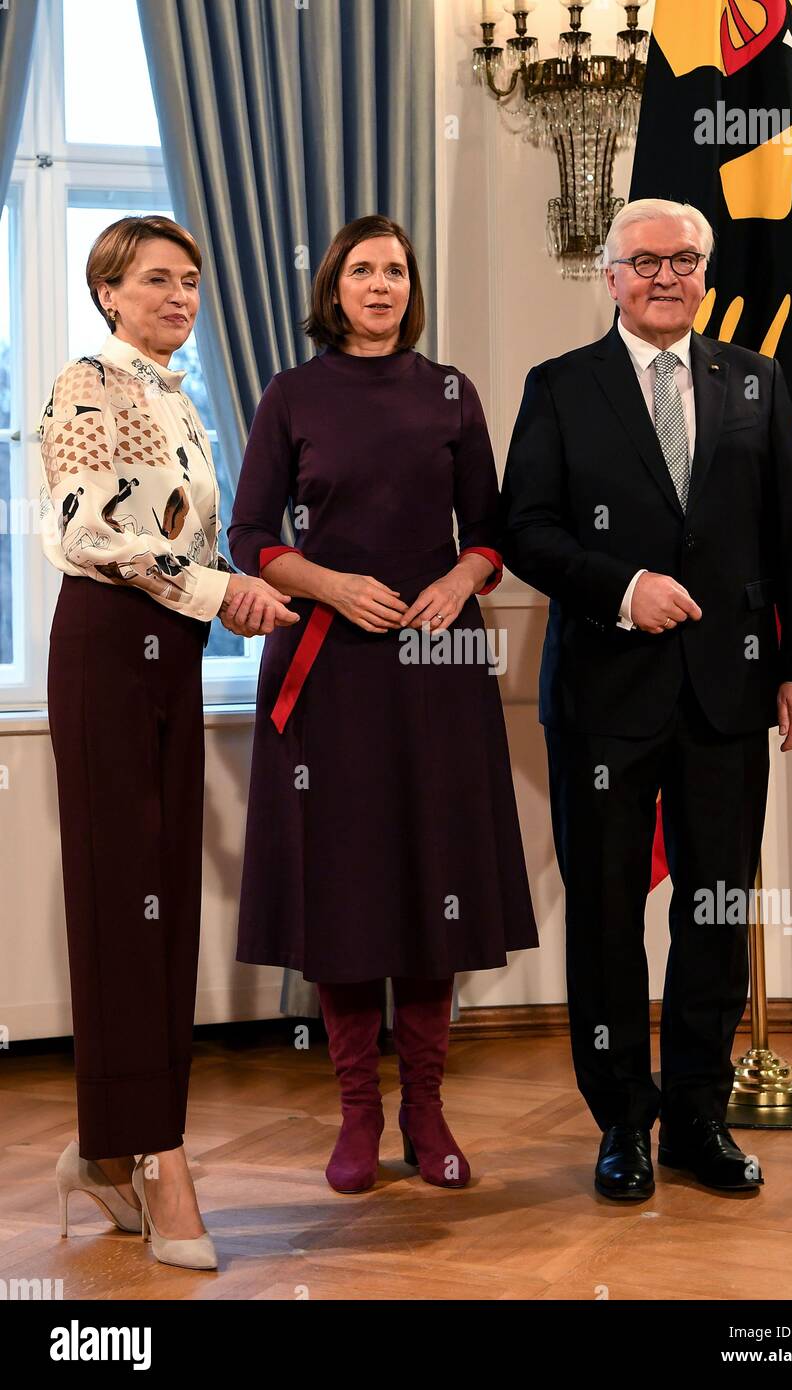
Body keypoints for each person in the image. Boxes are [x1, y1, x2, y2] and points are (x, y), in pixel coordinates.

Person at [500, 197, 792, 1200]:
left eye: (684, 260)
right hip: (604, 701)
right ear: (609, 276)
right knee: (605, 921)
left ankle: (698, 1114)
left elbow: (791, 532)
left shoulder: (754, 381)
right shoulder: (560, 387)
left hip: (729, 699)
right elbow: (526, 529)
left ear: (705, 273)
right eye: (643, 261)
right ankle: (623, 1123)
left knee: (716, 914)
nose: (665, 275)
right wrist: (622, 588)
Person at [228, 213, 538, 1194]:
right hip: (329, 675)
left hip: (435, 666)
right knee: (346, 885)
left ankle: (428, 1108)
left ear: (412, 286)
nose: (381, 283)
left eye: (396, 270)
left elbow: (493, 530)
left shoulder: (451, 391)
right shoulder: (293, 393)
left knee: (432, 874)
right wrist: (327, 583)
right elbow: (246, 536)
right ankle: (357, 1111)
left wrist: (462, 579)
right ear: (335, 286)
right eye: (363, 269)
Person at [40, 214, 296, 1268]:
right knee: (118, 898)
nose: (180, 296)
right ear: (108, 291)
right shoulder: (86, 384)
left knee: (163, 899)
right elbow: (92, 529)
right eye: (156, 280)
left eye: (190, 280)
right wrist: (218, 589)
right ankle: (155, 1156)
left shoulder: (175, 393)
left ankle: (114, 1152)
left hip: (172, 651)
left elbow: (180, 528)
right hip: (106, 645)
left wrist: (226, 594)